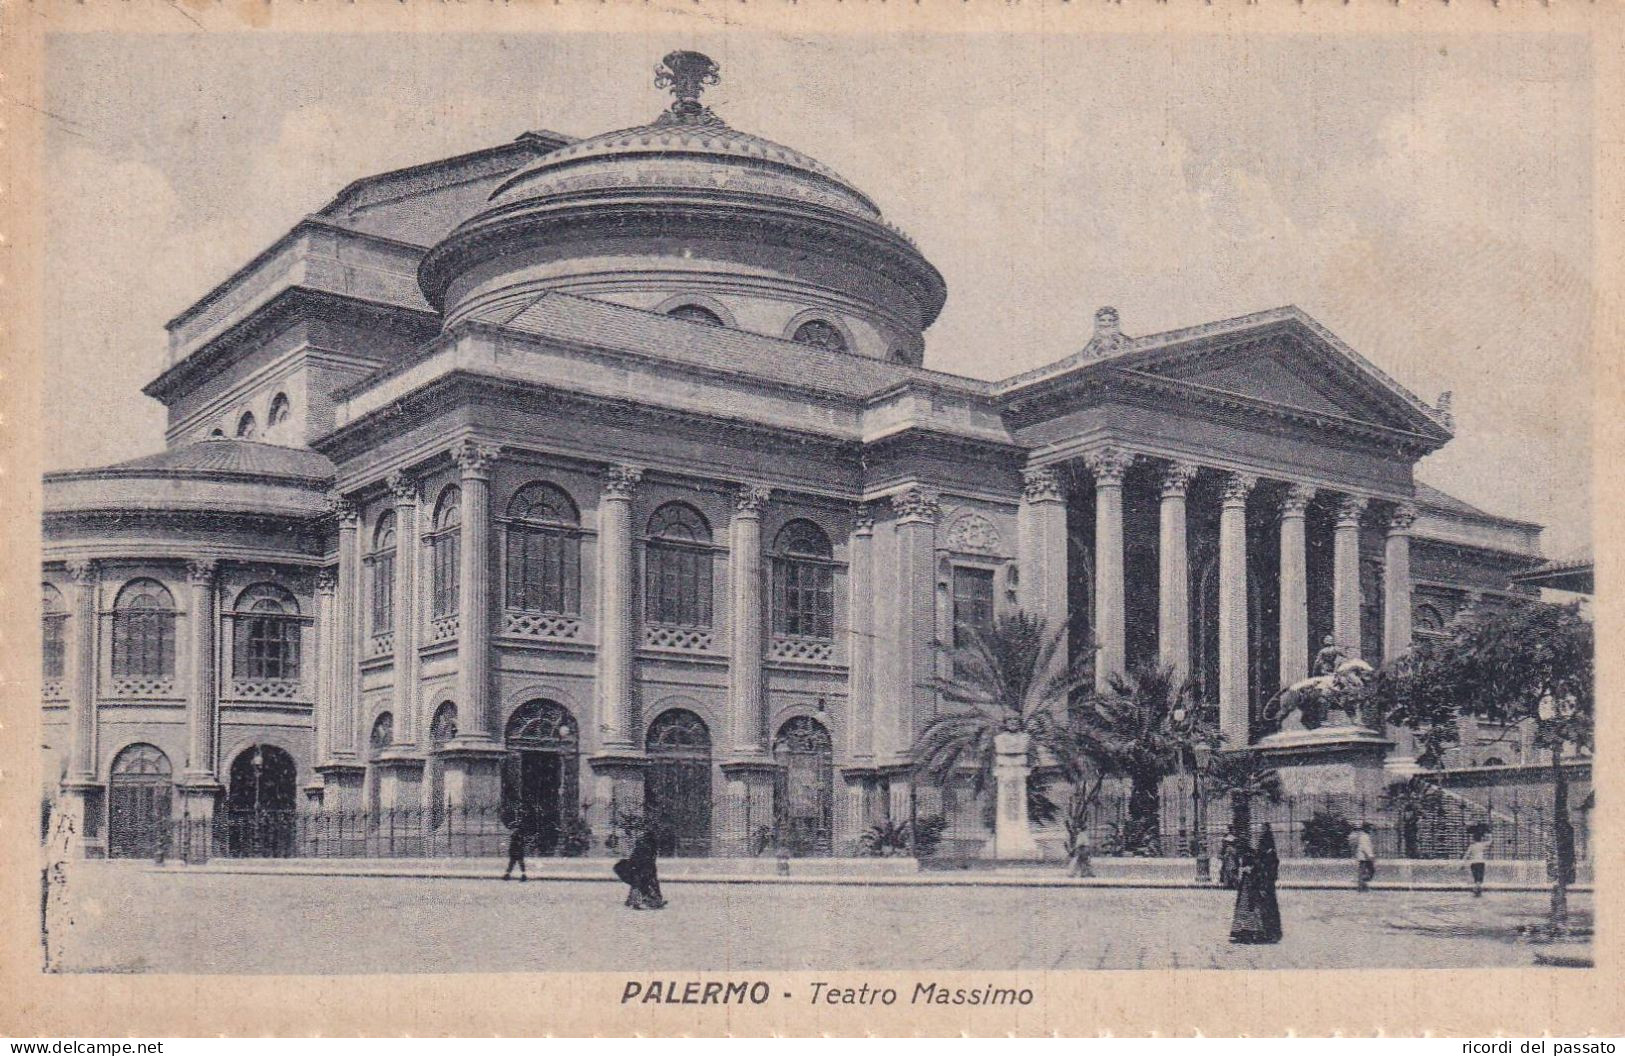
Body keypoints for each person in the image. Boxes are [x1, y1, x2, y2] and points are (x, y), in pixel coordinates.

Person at [1230, 823, 1282, 945]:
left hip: (1262, 883)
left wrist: (1252, 869)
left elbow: (1264, 867)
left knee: (1260, 908)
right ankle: (1260, 932)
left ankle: (1262, 933)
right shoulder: (1266, 851)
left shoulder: (1268, 853)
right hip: (1262, 883)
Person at [614, 832, 667, 910]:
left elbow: (639, 859)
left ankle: (635, 901)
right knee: (640, 884)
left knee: (639, 884)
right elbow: (644, 860)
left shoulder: (645, 847)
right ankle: (641, 902)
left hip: (638, 868)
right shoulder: (647, 848)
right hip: (640, 868)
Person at [502, 809, 531, 882]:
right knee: (519, 863)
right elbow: (520, 842)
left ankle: (508, 875)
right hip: (518, 849)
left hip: (515, 849)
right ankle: (522, 875)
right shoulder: (520, 832)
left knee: (513, 863)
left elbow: (514, 842)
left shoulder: (516, 832)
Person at [1463, 825, 1491, 897]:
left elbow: (1466, 855)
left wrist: (1463, 863)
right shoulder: (1482, 845)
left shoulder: (1471, 846)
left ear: (1473, 839)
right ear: (1481, 838)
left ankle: (1476, 891)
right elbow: (1490, 841)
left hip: (1474, 863)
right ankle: (1478, 891)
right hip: (1481, 862)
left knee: (1476, 879)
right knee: (1480, 879)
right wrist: (1489, 834)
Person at [1354, 821, 1377, 891]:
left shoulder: (1365, 835)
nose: (1370, 829)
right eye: (1369, 828)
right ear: (1365, 828)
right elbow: (1365, 847)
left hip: (1366, 857)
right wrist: (1370, 855)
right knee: (1365, 871)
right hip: (1364, 857)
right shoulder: (1364, 836)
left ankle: (1363, 884)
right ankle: (1361, 886)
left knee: (1371, 871)